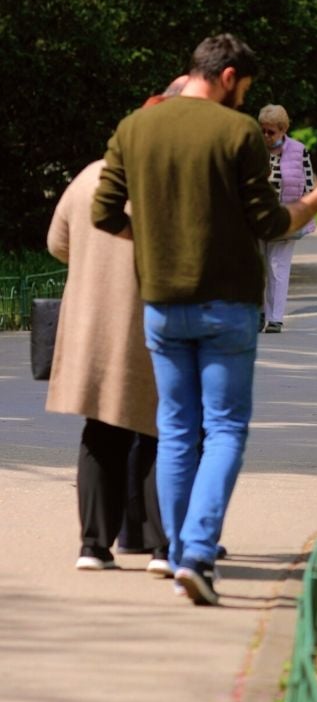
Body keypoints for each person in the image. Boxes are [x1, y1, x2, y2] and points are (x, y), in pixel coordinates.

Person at [92, 33, 317, 606]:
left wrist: (154, 247)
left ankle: (178, 552)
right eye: (245, 89)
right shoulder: (236, 131)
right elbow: (267, 222)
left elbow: (103, 212)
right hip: (227, 305)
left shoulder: (135, 127)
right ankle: (198, 553)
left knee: (178, 430)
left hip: (161, 303)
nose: (243, 102)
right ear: (229, 76)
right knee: (226, 429)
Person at [46, 157, 170, 576]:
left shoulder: (88, 175)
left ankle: (94, 544)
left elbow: (56, 244)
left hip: (91, 318)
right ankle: (163, 545)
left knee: (100, 430)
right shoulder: (165, 174)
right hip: (153, 315)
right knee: (163, 430)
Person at [257, 104, 316, 333]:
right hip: (258, 218)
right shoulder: (254, 149)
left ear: (282, 129)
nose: (266, 136)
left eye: (271, 132)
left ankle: (275, 318)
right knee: (258, 267)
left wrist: (304, 214)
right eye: (263, 130)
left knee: (278, 267)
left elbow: (309, 187)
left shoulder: (299, 151)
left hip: (286, 218)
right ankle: (259, 312)